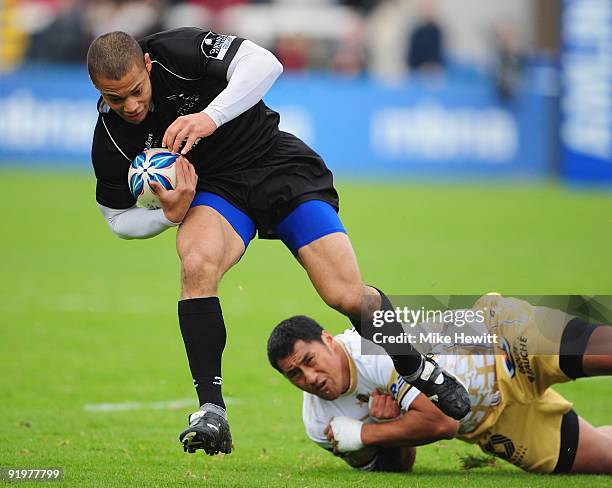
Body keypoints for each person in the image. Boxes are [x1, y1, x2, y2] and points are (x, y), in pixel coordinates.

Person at [86, 27, 469, 456]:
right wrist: (168, 218)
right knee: (195, 265)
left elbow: (267, 64)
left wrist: (209, 116)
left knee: (344, 295)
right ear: (98, 91)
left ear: (147, 66)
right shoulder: (111, 137)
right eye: (116, 99)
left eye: (137, 91)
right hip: (218, 193)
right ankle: (211, 409)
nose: (131, 106)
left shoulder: (178, 50)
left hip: (279, 167)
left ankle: (414, 365)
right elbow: (117, 218)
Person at [267, 295, 612, 474]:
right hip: (493, 424)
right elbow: (398, 468)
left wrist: (365, 434)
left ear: (328, 340)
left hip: (504, 341)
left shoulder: (371, 347)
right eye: (295, 375)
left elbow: (442, 421)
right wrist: (390, 427)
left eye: (309, 361)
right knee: (605, 460)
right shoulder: (318, 423)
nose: (309, 378)